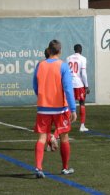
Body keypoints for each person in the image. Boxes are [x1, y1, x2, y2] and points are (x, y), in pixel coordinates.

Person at [33, 40, 77, 179]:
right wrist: (73, 108)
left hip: (43, 107)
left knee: (41, 137)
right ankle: (64, 168)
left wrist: (42, 96)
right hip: (60, 108)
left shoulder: (40, 64)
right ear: (59, 51)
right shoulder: (62, 65)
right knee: (64, 137)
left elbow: (35, 85)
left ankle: (39, 168)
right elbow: (68, 89)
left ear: (49, 50)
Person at [67, 44, 90, 132]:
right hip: (79, 84)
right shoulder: (83, 58)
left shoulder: (68, 58)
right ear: (81, 50)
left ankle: (67, 124)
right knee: (82, 103)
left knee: (69, 105)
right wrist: (86, 86)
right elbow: (83, 74)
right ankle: (82, 126)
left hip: (69, 84)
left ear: (74, 50)